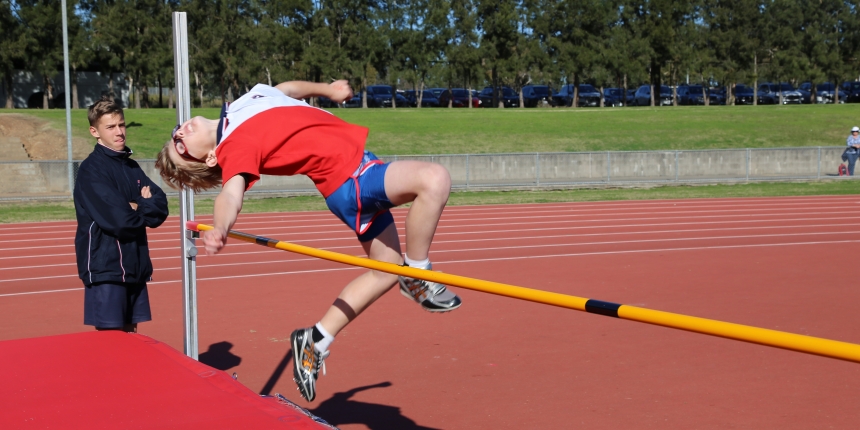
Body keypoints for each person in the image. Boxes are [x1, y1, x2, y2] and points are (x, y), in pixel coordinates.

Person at [155, 80, 462, 402]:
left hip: (360, 164)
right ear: (210, 159)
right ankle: (418, 275)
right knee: (434, 179)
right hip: (350, 178)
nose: (180, 134)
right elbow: (231, 193)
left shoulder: (241, 105)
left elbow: (285, 90)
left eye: (175, 133)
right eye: (180, 146)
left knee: (385, 270)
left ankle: (316, 340)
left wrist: (327, 91)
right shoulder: (233, 147)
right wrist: (220, 226)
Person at [74, 96, 169, 333]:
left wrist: (137, 205)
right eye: (111, 127)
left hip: (135, 266)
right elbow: (120, 221)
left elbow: (160, 207)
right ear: (94, 132)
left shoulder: (131, 167)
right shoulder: (91, 170)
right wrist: (139, 204)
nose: (119, 132)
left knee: (132, 338)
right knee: (110, 343)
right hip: (107, 270)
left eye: (122, 125)